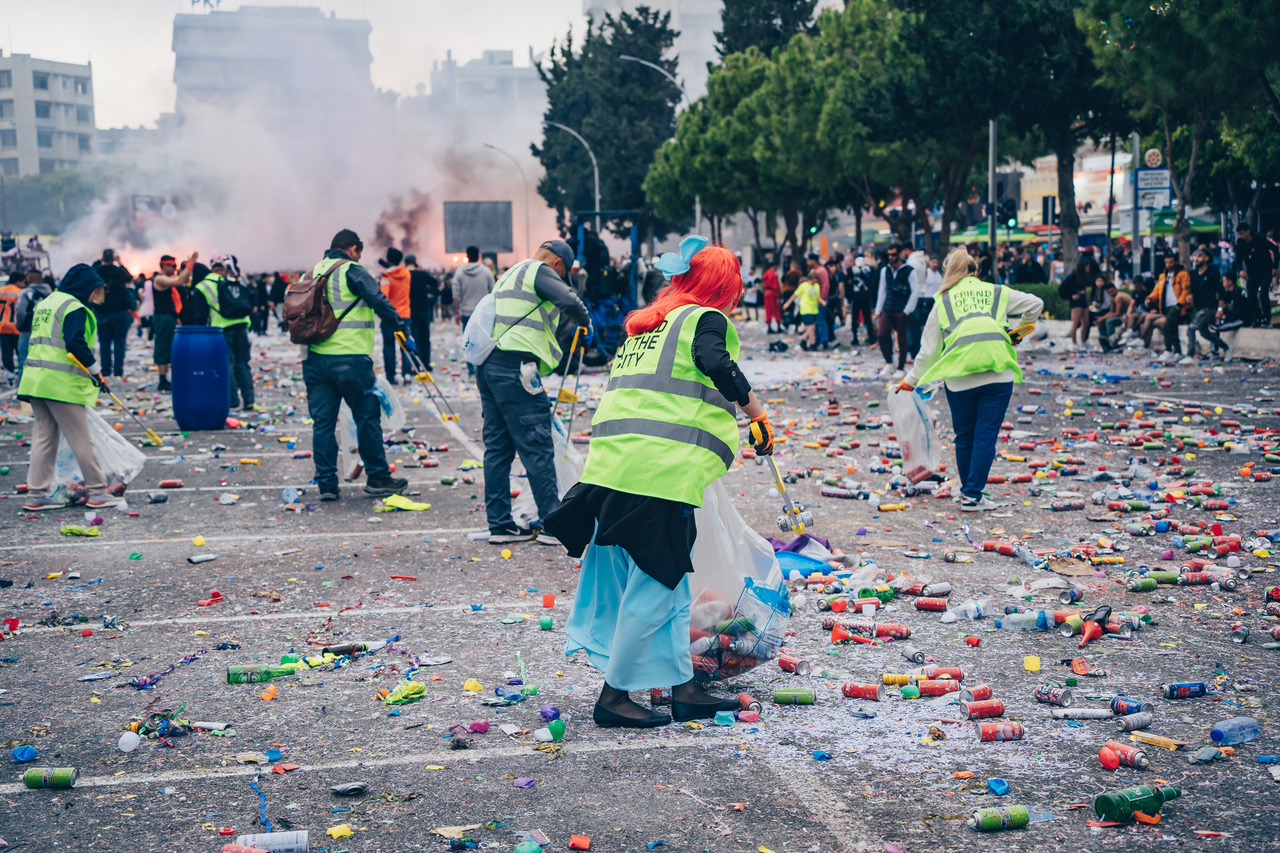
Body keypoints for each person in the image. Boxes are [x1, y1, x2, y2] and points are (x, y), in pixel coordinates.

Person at [543, 236, 776, 727]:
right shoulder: (703, 319)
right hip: (659, 473)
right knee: (655, 586)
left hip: (613, 469)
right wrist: (756, 413)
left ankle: (684, 689)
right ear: (723, 287)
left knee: (669, 584)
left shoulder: (646, 326)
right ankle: (613, 698)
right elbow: (716, 363)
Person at [898, 249, 1042, 512]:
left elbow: (928, 350)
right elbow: (1036, 304)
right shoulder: (995, 292)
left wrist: (910, 380)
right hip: (997, 371)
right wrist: (1018, 333)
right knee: (985, 435)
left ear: (948, 272)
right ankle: (972, 496)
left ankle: (969, 495)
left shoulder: (942, 301)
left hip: (959, 376)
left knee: (964, 436)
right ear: (976, 271)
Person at [478, 239, 589, 545]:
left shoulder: (508, 275)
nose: (560, 280)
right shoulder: (538, 270)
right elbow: (569, 300)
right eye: (562, 275)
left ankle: (500, 525)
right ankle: (553, 524)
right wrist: (586, 321)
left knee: (498, 449)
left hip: (490, 367)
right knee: (537, 445)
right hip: (517, 369)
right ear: (557, 264)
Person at [303, 229, 411, 501]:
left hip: (315, 361)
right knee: (367, 418)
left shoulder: (311, 273)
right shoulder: (351, 270)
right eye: (359, 252)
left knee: (323, 424)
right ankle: (378, 478)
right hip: (351, 360)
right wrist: (401, 328)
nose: (360, 257)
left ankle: (327, 484)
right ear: (352, 248)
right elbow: (379, 300)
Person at [16, 264, 121, 511]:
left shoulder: (48, 303)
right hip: (59, 385)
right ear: (85, 287)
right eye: (95, 289)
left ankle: (36, 494)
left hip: (36, 381)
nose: (96, 295)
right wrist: (96, 371)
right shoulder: (74, 307)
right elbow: (75, 343)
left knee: (44, 438)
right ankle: (98, 492)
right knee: (81, 439)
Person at [191, 255, 255, 410]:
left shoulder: (203, 286)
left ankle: (233, 400)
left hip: (222, 328)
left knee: (228, 364)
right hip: (242, 325)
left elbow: (200, 315)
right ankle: (249, 400)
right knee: (243, 364)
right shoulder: (233, 280)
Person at [151, 252, 196, 392]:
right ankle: (162, 380)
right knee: (163, 347)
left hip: (168, 317)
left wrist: (175, 316)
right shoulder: (160, 279)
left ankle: (165, 378)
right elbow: (179, 281)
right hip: (162, 318)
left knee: (169, 346)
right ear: (164, 265)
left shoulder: (165, 279)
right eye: (172, 266)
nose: (175, 268)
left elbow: (183, 281)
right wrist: (190, 264)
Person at [875, 243, 918, 376]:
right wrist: (877, 311)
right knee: (881, 335)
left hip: (902, 310)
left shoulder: (909, 270)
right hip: (888, 308)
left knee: (902, 339)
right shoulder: (885, 270)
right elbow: (882, 291)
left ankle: (900, 367)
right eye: (889, 255)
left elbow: (915, 291)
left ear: (899, 254)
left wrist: (907, 310)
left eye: (893, 254)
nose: (891, 257)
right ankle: (889, 362)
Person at [91, 249, 134, 381]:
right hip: (120, 312)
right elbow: (129, 277)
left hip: (102, 311)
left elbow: (90, 271)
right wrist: (120, 262)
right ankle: (118, 371)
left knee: (104, 343)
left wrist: (99, 260)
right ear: (113, 258)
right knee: (119, 342)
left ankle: (105, 371)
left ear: (103, 258)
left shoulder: (97, 271)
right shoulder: (119, 271)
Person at [453, 246, 495, 376]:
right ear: (479, 256)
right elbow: (494, 292)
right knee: (484, 340)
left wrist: (456, 312)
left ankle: (471, 369)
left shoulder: (459, 272)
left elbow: (456, 295)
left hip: (467, 312)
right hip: (484, 314)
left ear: (467, 256)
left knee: (468, 341)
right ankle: (482, 367)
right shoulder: (486, 272)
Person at [377, 248, 414, 384]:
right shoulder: (407, 274)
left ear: (388, 260)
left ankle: (391, 375)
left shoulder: (386, 276)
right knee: (405, 345)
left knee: (389, 346)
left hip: (390, 316)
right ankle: (407, 374)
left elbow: (383, 297)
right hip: (405, 314)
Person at [1147, 254, 1190, 360]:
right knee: (1173, 329)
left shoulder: (1182, 274)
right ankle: (1177, 352)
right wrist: (1150, 298)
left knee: (1166, 328)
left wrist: (1180, 303)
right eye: (1166, 262)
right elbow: (1157, 290)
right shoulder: (1163, 276)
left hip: (1176, 306)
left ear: (1175, 262)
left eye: (1170, 262)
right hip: (1166, 306)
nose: (1168, 264)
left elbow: (1186, 290)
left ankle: (1168, 349)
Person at [1186, 246, 1225, 358]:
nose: (1196, 258)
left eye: (1199, 256)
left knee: (1191, 329)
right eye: (1195, 256)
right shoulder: (1193, 274)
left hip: (1209, 308)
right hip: (1199, 307)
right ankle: (1226, 347)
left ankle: (1189, 355)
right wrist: (1190, 296)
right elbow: (1192, 290)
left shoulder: (1213, 273)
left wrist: (1220, 309)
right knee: (1204, 332)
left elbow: (1221, 291)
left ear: (1207, 258)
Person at [1234, 222, 1275, 327]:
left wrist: (1274, 267)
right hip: (1252, 272)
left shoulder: (1260, 238)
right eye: (1239, 234)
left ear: (1248, 231)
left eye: (1242, 233)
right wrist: (1240, 270)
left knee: (1263, 294)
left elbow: (1275, 249)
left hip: (1265, 270)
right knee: (1251, 296)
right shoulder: (1240, 243)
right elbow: (1237, 259)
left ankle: (1267, 318)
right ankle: (1258, 317)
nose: (1240, 236)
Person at [14, 269, 53, 377]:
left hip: (28, 331)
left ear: (29, 278)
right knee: (44, 362)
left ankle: (23, 385)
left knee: (24, 362)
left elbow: (21, 312)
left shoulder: (26, 293)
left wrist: (20, 326)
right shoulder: (51, 294)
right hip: (47, 332)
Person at [405, 254, 438, 370]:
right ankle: (426, 364)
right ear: (415, 262)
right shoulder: (422, 274)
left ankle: (416, 365)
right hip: (424, 310)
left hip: (411, 311)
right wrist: (421, 269)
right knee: (425, 338)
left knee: (415, 339)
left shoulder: (405, 274)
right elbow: (435, 283)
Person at [909, 255, 941, 358]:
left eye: (937, 262)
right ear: (929, 263)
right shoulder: (926, 273)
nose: (935, 264)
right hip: (925, 299)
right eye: (933, 262)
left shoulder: (939, 274)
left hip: (935, 299)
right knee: (924, 323)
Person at [782, 275, 824, 351]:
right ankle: (813, 344)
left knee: (812, 327)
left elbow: (817, 297)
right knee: (811, 326)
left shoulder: (816, 286)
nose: (814, 282)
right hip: (806, 309)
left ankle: (804, 341)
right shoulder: (803, 286)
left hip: (814, 309)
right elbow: (794, 295)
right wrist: (787, 303)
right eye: (813, 280)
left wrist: (822, 302)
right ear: (809, 279)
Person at [848, 253, 876, 347]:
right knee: (867, 317)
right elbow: (872, 281)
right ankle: (871, 337)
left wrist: (849, 297)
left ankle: (855, 338)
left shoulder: (851, 269)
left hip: (856, 296)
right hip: (866, 296)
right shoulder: (869, 268)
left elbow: (849, 282)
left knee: (855, 318)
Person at [1096, 282, 1133, 353]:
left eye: (1112, 291)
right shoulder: (1112, 298)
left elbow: (1117, 313)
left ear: (1115, 289)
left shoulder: (1119, 296)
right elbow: (1111, 312)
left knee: (1109, 321)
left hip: (1127, 315)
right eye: (1109, 292)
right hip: (1121, 315)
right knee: (1101, 321)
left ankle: (1112, 342)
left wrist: (1102, 318)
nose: (1110, 293)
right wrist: (1101, 318)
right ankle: (1104, 341)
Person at [807, 254, 831, 349]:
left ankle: (824, 340)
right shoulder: (813, 270)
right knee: (815, 322)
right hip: (812, 301)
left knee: (821, 320)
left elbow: (826, 285)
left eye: (809, 260)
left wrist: (822, 298)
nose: (807, 262)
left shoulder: (821, 270)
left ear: (814, 260)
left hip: (820, 300)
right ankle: (817, 340)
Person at [0, 272, 21, 374]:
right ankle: (21, 370)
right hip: (16, 326)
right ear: (18, 281)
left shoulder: (0, 291)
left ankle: (9, 373)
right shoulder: (20, 292)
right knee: (19, 351)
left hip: (2, 326)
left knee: (6, 352)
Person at [762, 263, 782, 333]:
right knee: (776, 310)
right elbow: (776, 286)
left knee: (768, 310)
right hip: (774, 293)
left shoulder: (766, 273)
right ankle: (778, 327)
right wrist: (779, 295)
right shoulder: (774, 274)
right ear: (776, 266)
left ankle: (769, 327)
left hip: (767, 293)